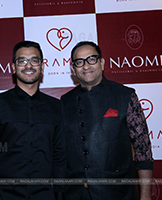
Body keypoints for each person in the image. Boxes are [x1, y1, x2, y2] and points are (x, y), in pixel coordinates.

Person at [61, 41, 153, 200]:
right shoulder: (64, 101)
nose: (86, 66)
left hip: (117, 194)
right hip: (74, 194)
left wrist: (145, 196)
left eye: (91, 59)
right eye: (79, 62)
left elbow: (142, 149)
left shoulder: (125, 96)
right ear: (72, 69)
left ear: (102, 63)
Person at [0, 40, 66, 200]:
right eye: (22, 61)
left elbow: (59, 155)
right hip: (4, 195)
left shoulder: (56, 106)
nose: (28, 65)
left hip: (44, 195)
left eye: (34, 60)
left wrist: (60, 193)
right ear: (13, 67)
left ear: (42, 66)